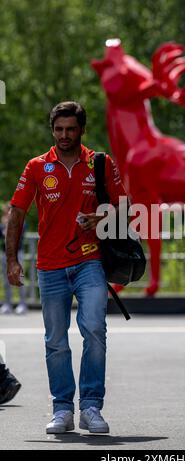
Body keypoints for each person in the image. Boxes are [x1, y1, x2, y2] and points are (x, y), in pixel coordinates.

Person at [5, 101, 128, 434]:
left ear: (81, 130)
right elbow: (17, 213)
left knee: (95, 330)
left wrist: (100, 218)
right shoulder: (36, 167)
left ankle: (90, 407)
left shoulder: (100, 164)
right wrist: (13, 259)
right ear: (52, 130)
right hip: (50, 266)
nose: (64, 135)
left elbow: (124, 208)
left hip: (90, 262)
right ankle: (62, 410)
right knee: (56, 340)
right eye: (58, 129)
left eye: (70, 129)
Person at [0, 202, 28, 315]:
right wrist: (5, 226)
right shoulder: (3, 223)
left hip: (18, 253)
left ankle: (22, 304)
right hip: (4, 254)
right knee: (6, 280)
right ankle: (7, 304)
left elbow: (20, 234)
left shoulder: (21, 222)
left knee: (20, 279)